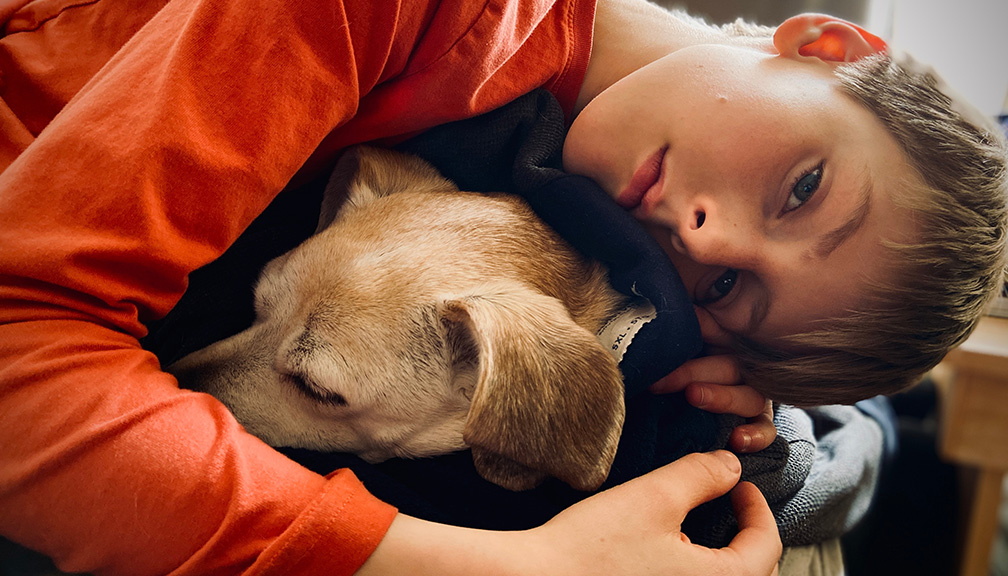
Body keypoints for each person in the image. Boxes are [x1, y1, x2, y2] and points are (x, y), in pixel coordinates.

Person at [0, 0, 1001, 573]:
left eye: (732, 285)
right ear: (828, 48)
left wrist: (799, 431)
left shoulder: (586, 192)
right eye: (805, 186)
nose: (706, 232)